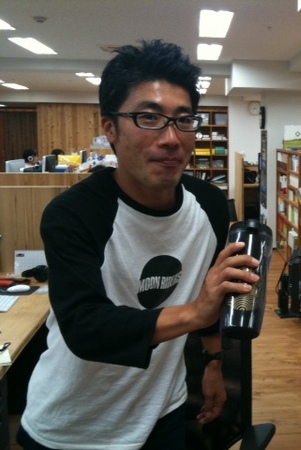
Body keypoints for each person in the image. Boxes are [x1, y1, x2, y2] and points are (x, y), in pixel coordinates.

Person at [17, 39, 259, 449]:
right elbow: (85, 327)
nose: (171, 138)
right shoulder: (74, 214)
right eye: (149, 117)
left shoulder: (210, 204)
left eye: (184, 120)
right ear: (110, 128)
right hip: (74, 425)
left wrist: (214, 363)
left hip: (163, 411)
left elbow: (212, 296)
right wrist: (195, 310)